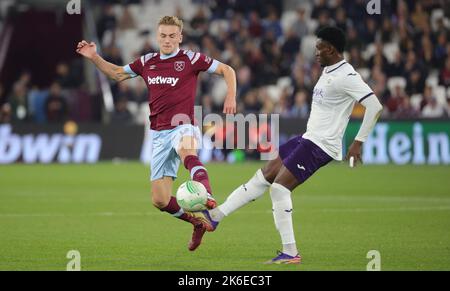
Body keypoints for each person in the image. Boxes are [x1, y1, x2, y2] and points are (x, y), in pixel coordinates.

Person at [196, 26, 383, 264]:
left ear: (332, 49)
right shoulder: (328, 70)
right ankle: (215, 215)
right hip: (308, 138)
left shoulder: (347, 76)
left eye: (319, 48)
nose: (315, 52)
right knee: (263, 176)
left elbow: (375, 106)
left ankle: (291, 252)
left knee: (279, 189)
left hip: (321, 145)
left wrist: (358, 143)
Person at [76, 16, 237, 251]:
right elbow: (118, 74)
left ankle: (207, 198)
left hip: (183, 124)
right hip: (159, 134)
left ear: (180, 37)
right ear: (157, 36)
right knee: (159, 200)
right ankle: (196, 223)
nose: (167, 40)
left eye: (172, 36)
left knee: (187, 152)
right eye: (163, 35)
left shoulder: (191, 58)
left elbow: (227, 69)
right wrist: (94, 57)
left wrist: (231, 96)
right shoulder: (147, 61)